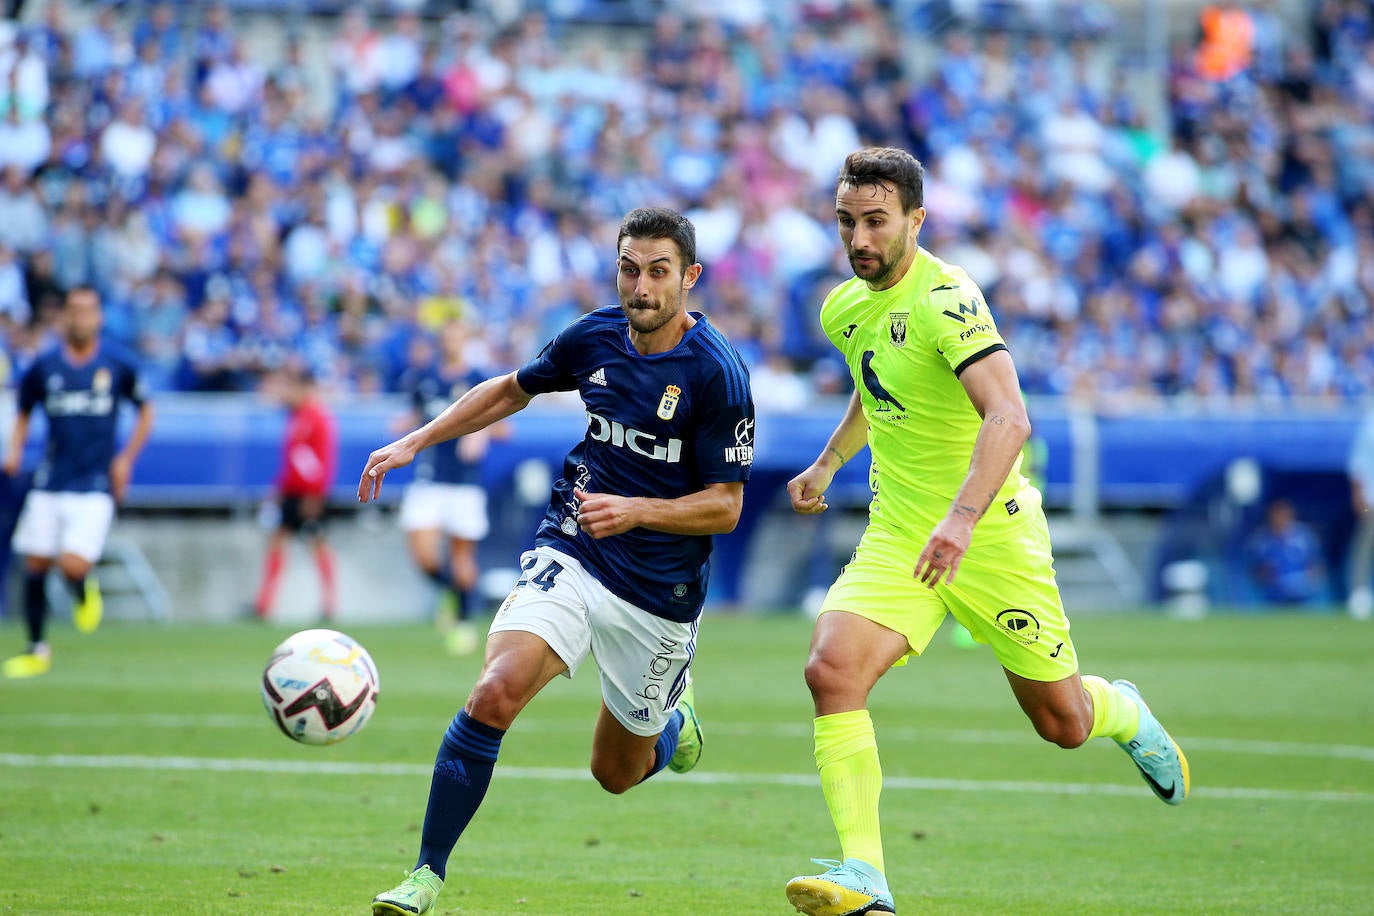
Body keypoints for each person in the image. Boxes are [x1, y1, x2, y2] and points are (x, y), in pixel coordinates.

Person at [782, 148, 1189, 916]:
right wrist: (829, 463)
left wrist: (962, 520)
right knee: (831, 671)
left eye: (876, 221)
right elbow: (881, 388)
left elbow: (1009, 416)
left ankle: (1124, 710)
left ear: (915, 220)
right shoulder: (845, 307)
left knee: (1062, 723)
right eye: (846, 222)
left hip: (991, 537)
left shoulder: (948, 299)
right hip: (903, 535)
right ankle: (864, 874)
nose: (859, 238)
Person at [359, 207, 755, 916]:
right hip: (572, 547)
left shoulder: (718, 374)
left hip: (659, 592)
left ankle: (673, 720)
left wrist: (638, 510)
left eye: (659, 271)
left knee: (614, 773)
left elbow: (725, 506)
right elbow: (512, 388)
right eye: (630, 268)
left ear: (689, 277)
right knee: (494, 692)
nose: (642, 286)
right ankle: (426, 874)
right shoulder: (594, 336)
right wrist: (415, 442)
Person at [3, 287, 154, 678]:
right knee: (35, 562)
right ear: (64, 317)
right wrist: (15, 450)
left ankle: (83, 589)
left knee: (71, 563)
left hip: (95, 482)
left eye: (88, 310)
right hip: (51, 478)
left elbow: (146, 411)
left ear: (99, 316)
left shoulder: (118, 364)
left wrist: (126, 460)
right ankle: (37, 649)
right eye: (73, 310)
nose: (80, 317)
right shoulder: (46, 367)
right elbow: (23, 411)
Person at [396, 321, 506, 655]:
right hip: (429, 479)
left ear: (465, 340)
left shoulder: (478, 379)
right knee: (424, 556)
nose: (451, 342)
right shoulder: (424, 378)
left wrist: (481, 432)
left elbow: (502, 428)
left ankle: (463, 621)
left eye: (457, 336)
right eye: (446, 336)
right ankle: (453, 598)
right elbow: (417, 418)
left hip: (464, 484)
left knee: (461, 558)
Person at [252, 363, 339, 621]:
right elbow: (294, 459)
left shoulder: (317, 417)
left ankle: (329, 604)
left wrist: (316, 495)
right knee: (279, 542)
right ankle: (264, 604)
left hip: (309, 496)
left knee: (317, 544)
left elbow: (323, 459)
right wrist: (281, 487)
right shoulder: (296, 416)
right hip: (292, 493)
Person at [1244, 498, 1325, 606]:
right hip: (1273, 594)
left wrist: (1310, 580)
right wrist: (1266, 575)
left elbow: (1317, 564)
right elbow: (1254, 570)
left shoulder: (1305, 536)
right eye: (1276, 515)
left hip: (1303, 592)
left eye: (1283, 515)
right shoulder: (1260, 540)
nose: (1280, 519)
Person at [1347, 408, 1374, 619]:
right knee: (1364, 547)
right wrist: (1358, 495)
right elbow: (1357, 464)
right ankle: (1359, 594)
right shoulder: (1370, 422)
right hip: (1371, 499)